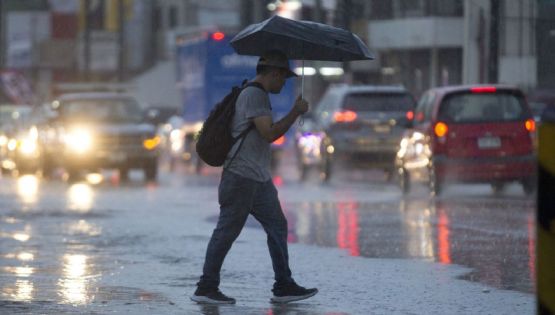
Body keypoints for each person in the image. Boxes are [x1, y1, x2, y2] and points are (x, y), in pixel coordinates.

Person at [191, 50, 318, 304]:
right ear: (273, 74)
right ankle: (206, 287)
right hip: (240, 177)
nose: (284, 83)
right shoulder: (254, 95)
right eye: (283, 78)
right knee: (227, 231)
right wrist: (295, 112)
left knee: (277, 226)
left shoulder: (257, 95)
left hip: (258, 179)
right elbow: (269, 133)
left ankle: (283, 285)